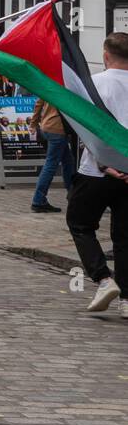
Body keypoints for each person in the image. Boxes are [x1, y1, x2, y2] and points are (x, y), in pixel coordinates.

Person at [65, 32, 128, 317]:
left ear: (106, 55)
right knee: (125, 237)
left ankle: (103, 279)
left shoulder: (94, 85)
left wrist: (104, 163)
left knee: (80, 222)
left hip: (96, 170)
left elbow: (86, 129)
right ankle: (127, 299)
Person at [29, 98, 74, 213]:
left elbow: (38, 103)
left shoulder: (50, 82)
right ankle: (38, 201)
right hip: (58, 129)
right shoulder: (65, 84)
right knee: (51, 165)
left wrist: (33, 124)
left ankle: (73, 195)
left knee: (68, 163)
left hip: (47, 126)